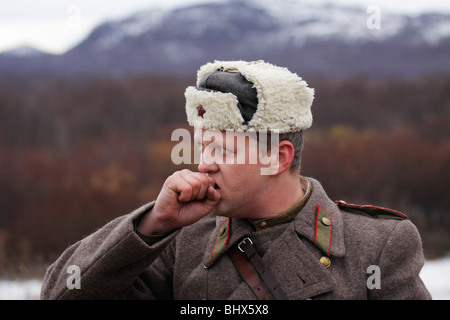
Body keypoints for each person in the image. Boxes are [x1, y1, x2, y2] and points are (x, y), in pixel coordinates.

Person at [40, 60, 431, 300]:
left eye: (223, 150)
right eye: (203, 147)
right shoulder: (184, 240)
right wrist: (152, 224)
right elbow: (60, 294)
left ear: (276, 158)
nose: (204, 164)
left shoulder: (378, 246)